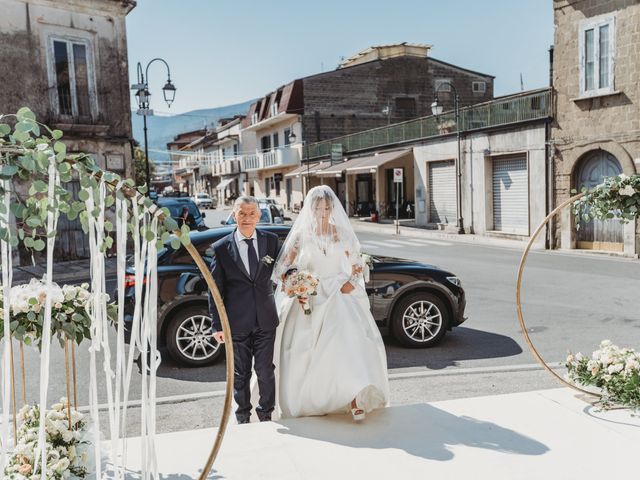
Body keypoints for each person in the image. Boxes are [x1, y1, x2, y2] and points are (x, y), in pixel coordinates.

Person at [272, 185, 389, 421]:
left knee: (349, 345)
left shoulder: (342, 234)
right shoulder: (300, 237)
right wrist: (295, 283)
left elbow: (357, 264)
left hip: (339, 294)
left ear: (333, 208)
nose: (323, 212)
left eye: (327, 207)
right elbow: (282, 268)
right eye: (318, 208)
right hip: (310, 296)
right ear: (310, 209)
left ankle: (355, 398)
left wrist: (351, 281)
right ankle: (308, 400)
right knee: (305, 351)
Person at [208, 196, 281, 423]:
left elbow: (283, 270)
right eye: (242, 213)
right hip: (236, 322)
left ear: (259, 216)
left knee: (265, 370)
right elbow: (215, 290)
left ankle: (266, 413)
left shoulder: (271, 241)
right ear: (234, 214)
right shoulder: (221, 249)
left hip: (266, 318)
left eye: (252, 213)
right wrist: (217, 324)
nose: (247, 218)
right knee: (241, 373)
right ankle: (242, 416)